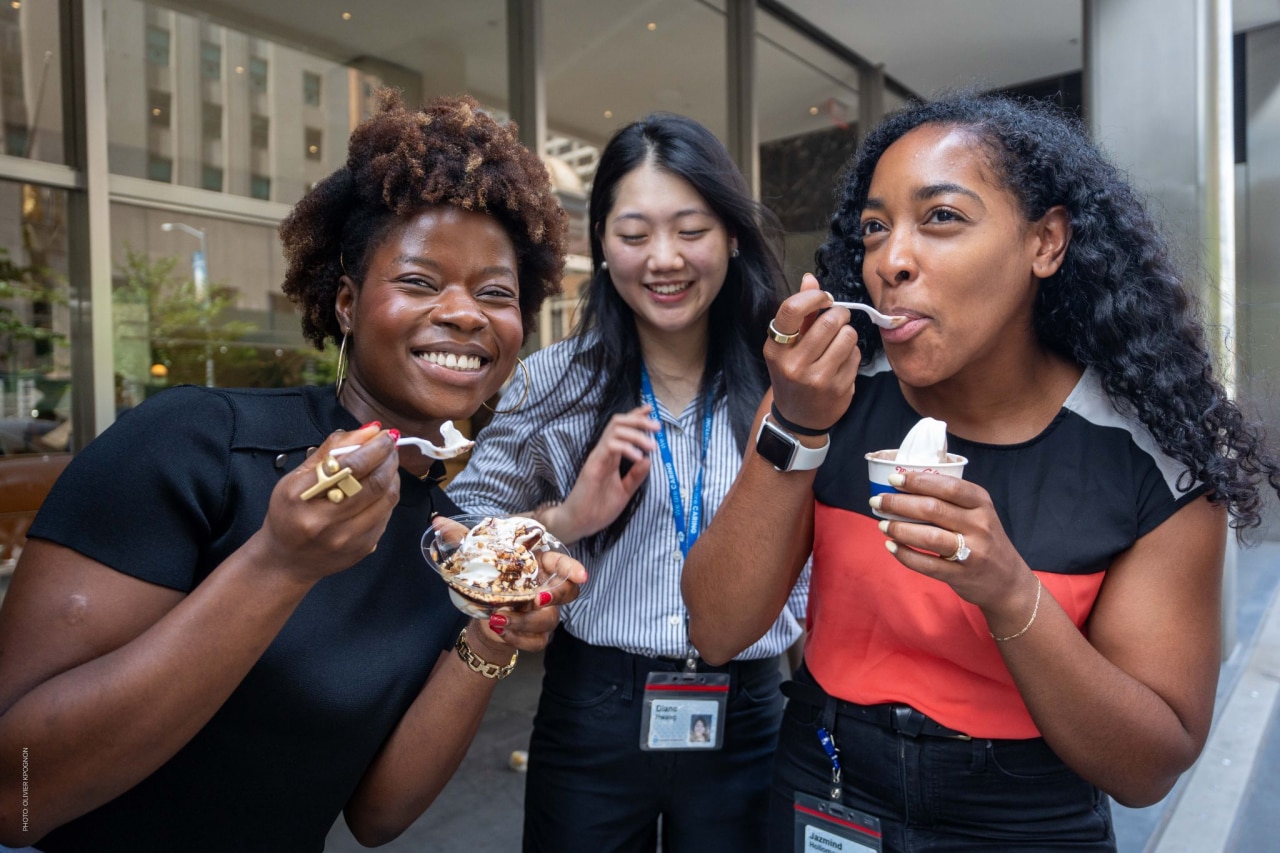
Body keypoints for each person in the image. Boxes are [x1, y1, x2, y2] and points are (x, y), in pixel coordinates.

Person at [682, 91, 1280, 851]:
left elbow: (1148, 765)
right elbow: (717, 627)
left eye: (941, 218)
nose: (890, 261)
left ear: (1046, 243)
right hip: (825, 786)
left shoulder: (1151, 465)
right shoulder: (825, 396)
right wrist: (793, 425)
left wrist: (1009, 591)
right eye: (874, 228)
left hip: (1024, 818)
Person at [0, 91, 583, 852]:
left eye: (495, 294)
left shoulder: (444, 538)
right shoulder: (194, 442)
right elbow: (16, 791)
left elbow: (377, 814)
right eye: (418, 281)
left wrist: (497, 628)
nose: (465, 313)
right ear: (346, 301)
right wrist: (278, 564)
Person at [448, 112, 801, 852]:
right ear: (602, 245)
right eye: (635, 235)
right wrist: (569, 516)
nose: (664, 259)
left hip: (751, 710)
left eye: (691, 229)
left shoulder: (793, 383)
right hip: (594, 713)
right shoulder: (556, 382)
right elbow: (463, 540)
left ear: (733, 236)